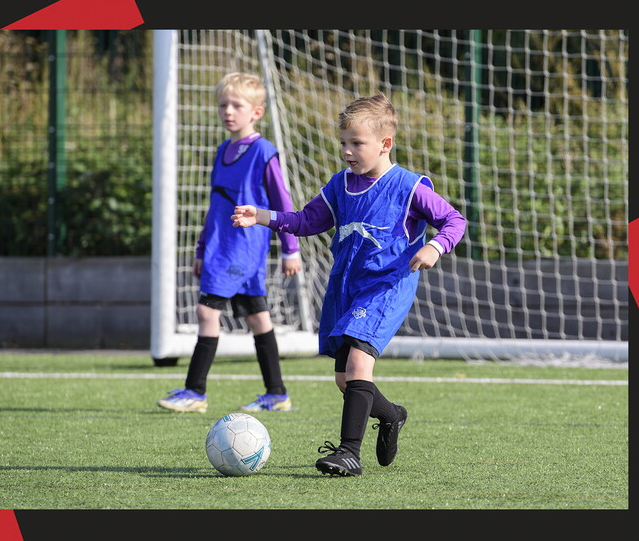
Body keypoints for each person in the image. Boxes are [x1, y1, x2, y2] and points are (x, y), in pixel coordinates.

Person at [231, 92, 466, 476]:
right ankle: (391, 415)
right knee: (345, 380)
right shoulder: (340, 185)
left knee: (359, 365)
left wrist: (436, 247)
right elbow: (306, 221)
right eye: (343, 143)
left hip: (385, 288)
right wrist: (262, 215)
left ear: (385, 144)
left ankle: (348, 452)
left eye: (356, 143)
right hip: (345, 288)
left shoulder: (409, 187)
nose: (347, 151)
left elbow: (454, 220)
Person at [157, 72, 302, 414]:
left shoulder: (264, 152)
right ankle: (277, 393)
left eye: (237, 105)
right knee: (257, 319)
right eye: (223, 104)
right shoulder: (223, 150)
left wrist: (290, 248)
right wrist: (200, 249)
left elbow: (283, 204)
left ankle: (195, 391)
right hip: (219, 249)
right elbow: (216, 207)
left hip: (242, 249)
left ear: (257, 112)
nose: (228, 111)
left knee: (207, 311)